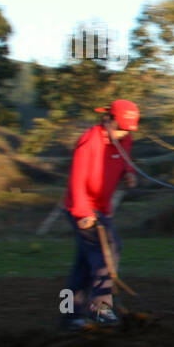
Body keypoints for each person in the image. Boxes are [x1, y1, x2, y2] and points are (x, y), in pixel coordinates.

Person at [61, 99, 139, 329]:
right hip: (81, 208)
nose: (123, 133)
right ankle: (99, 308)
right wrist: (83, 212)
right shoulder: (89, 141)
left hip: (101, 209)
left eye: (127, 129)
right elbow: (76, 180)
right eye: (120, 127)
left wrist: (129, 173)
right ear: (108, 119)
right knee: (105, 253)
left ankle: (69, 316)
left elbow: (125, 162)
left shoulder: (125, 140)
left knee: (84, 266)